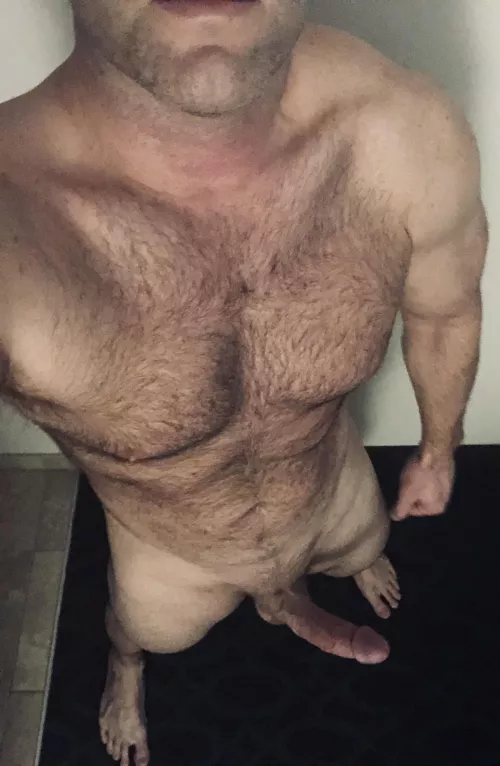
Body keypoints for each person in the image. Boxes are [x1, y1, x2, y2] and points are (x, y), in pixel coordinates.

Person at [0, 1, 488, 764]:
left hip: (336, 500)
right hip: (168, 554)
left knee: (369, 544)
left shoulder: (405, 132)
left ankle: (333, 570)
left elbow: (446, 311)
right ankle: (124, 671)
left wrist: (438, 452)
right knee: (139, 631)